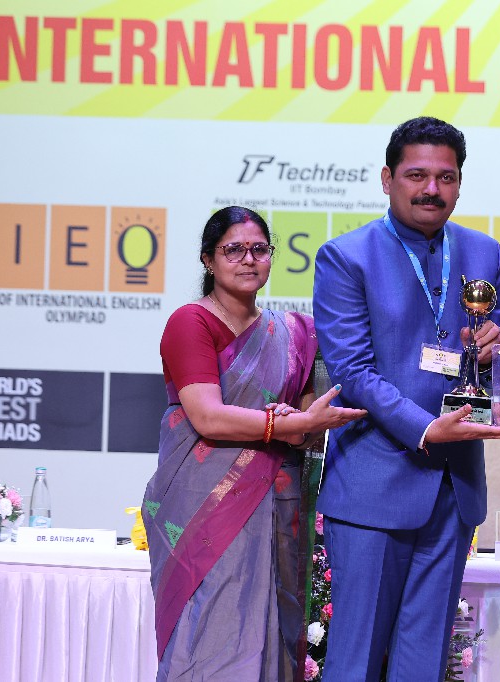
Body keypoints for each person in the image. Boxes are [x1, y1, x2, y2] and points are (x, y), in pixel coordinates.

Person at [312, 116, 500, 682]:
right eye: (417, 175)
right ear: (388, 179)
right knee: (355, 660)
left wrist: (495, 351)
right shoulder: (346, 256)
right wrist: (426, 428)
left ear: (460, 184)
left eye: (446, 178)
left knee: (423, 662)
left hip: (454, 487)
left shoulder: (482, 251)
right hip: (375, 483)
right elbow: (352, 372)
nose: (432, 189)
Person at [142, 206, 366, 682]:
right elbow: (207, 416)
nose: (248, 259)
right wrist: (280, 423)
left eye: (259, 249)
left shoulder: (297, 333)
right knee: (210, 635)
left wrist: (300, 424)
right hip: (203, 508)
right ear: (208, 260)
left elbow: (304, 429)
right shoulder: (191, 322)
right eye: (234, 250)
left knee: (272, 634)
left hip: (276, 503)